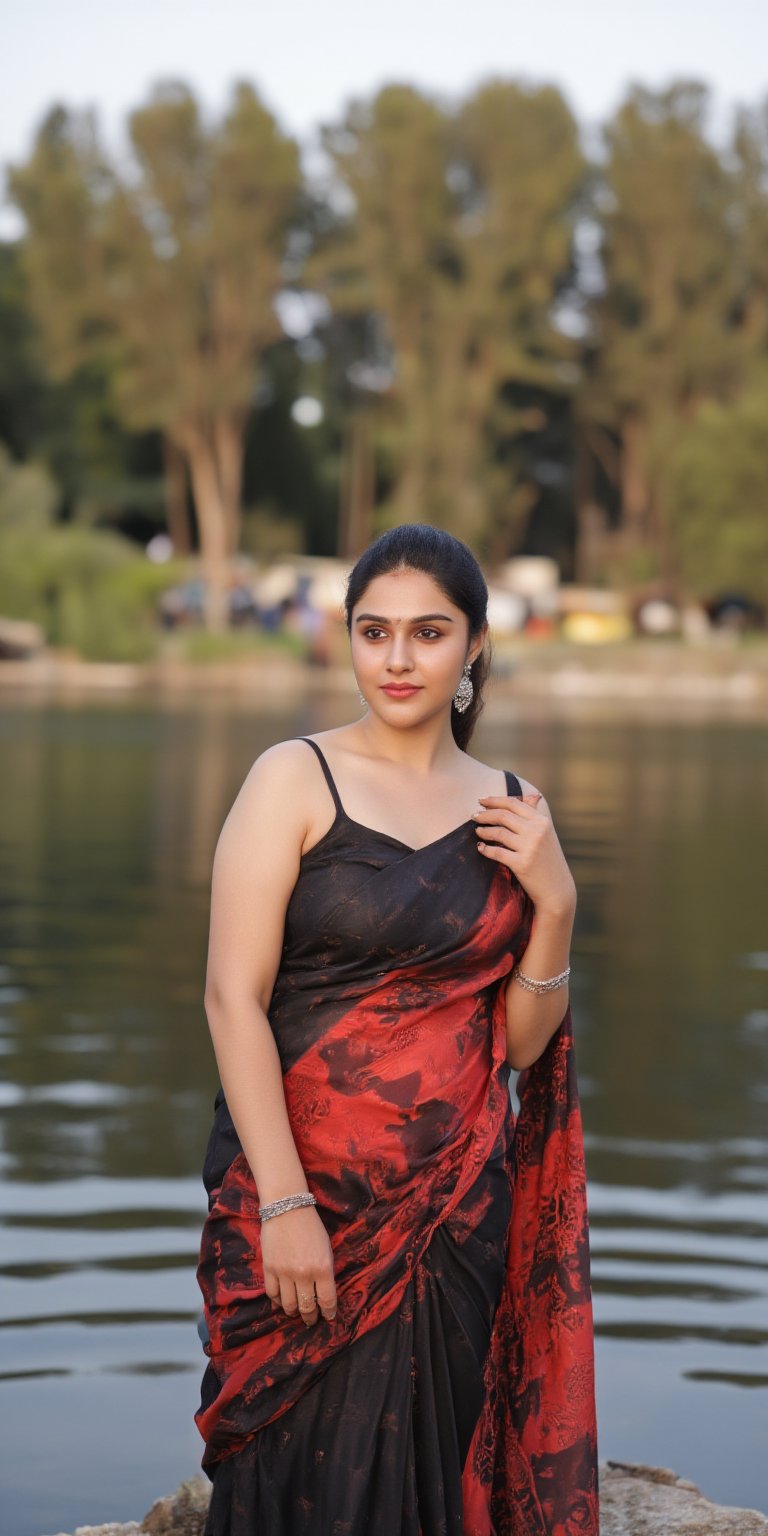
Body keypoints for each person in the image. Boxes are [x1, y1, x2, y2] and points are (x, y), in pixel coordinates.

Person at [194, 523, 599, 1535]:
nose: (399, 658)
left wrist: (556, 905)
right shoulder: (292, 779)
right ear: (350, 641)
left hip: (456, 1215)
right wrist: (286, 1205)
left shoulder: (512, 810)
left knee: (432, 1489)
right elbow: (230, 999)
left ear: (473, 650)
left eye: (428, 633)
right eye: (375, 632)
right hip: (303, 1202)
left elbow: (512, 1047)